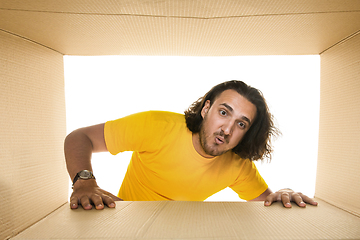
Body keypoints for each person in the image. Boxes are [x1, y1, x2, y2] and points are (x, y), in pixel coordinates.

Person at [65, 80, 318, 210]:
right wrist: (85, 182)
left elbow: (267, 201)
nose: (227, 129)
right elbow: (79, 138)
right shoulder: (157, 125)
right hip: (131, 227)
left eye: (241, 124)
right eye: (223, 112)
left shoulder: (238, 166)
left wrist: (285, 190)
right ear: (206, 108)